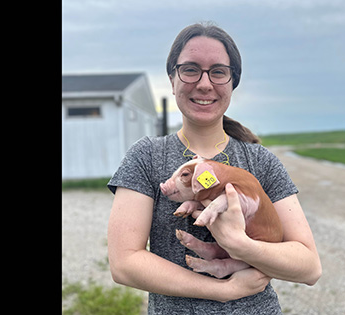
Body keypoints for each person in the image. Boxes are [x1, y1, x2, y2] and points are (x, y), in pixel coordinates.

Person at [107, 22, 321, 314]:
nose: (204, 84)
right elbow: (124, 264)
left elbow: (309, 267)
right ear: (172, 79)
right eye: (191, 69)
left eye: (218, 72)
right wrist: (223, 290)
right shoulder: (147, 157)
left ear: (233, 82)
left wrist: (240, 245)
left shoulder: (261, 162)